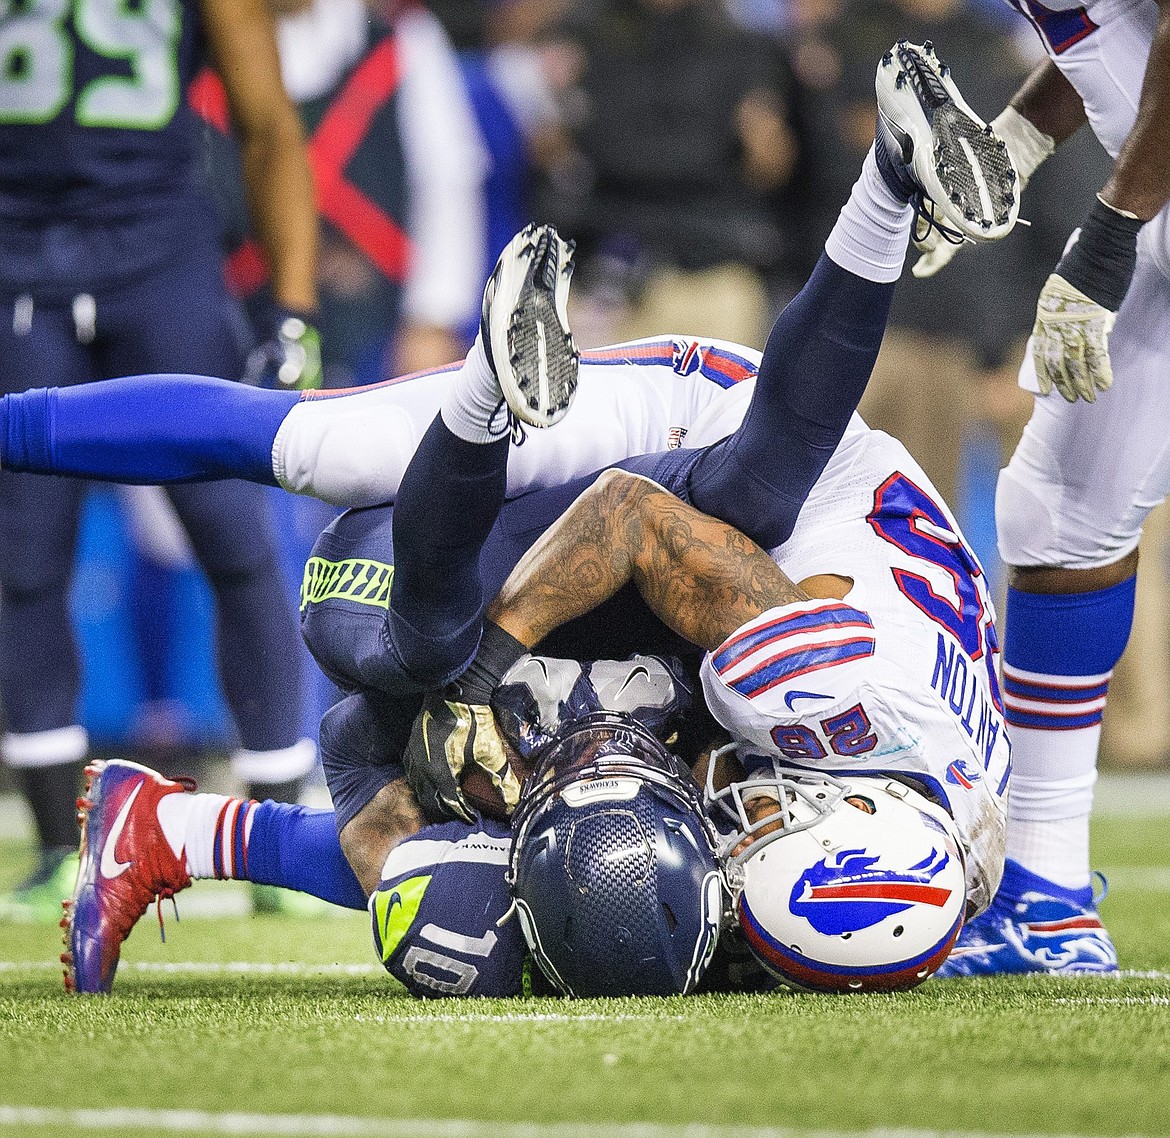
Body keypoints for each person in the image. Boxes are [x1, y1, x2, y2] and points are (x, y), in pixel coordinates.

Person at [13, 43, 1017, 991]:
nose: (745, 826)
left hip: (711, 551)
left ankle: (178, 831)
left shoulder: (948, 838)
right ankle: (493, 396)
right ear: (842, 782)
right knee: (338, 479)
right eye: (766, 816)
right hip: (681, 439)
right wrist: (485, 679)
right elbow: (630, 517)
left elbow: (832, 891)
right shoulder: (816, 691)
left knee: (522, 900)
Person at [0, 0, 320, 921]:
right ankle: (62, 847)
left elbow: (267, 124)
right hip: (19, 261)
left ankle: (278, 828)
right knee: (25, 556)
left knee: (235, 533)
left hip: (159, 257)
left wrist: (292, 309)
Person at [911, 1, 1170, 976]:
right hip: (1155, 211)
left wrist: (1106, 233)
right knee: (1058, 512)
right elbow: (1099, 35)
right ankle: (1046, 898)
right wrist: (1013, 141)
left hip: (1145, 211)